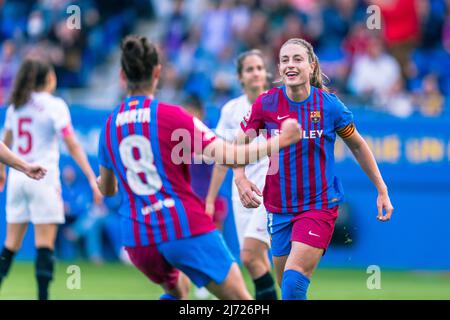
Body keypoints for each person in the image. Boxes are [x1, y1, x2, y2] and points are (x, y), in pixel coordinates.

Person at [96, 35, 301, 300]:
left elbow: (108, 189)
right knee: (241, 300)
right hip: (181, 226)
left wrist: (102, 182)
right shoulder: (171, 116)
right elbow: (229, 154)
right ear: (158, 72)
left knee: (179, 291)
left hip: (138, 239)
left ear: (122, 75)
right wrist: (281, 140)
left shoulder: (109, 126)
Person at [234, 38, 394, 300]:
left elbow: (357, 146)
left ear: (311, 66)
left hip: (318, 205)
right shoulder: (265, 104)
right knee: (286, 286)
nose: (290, 65)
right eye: (285, 60)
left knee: (293, 284)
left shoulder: (329, 106)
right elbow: (238, 147)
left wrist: (381, 188)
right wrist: (239, 176)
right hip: (278, 207)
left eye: (297, 59)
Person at [0, 58, 102, 300]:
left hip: (17, 178)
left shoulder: (17, 106)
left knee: (11, 244)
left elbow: (6, 141)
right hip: (42, 176)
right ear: (48, 79)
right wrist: (90, 175)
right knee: (44, 244)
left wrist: (2, 171)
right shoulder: (55, 105)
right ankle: (43, 297)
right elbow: (72, 143)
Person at [205, 49, 277, 300]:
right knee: (256, 260)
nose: (256, 73)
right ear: (240, 77)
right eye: (250, 69)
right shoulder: (231, 110)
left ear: (266, 73)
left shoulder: (277, 102)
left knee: (249, 255)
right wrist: (211, 199)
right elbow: (223, 157)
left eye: (259, 67)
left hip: (271, 189)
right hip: (242, 194)